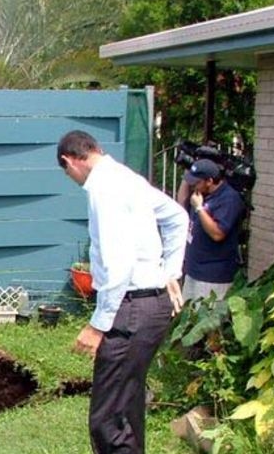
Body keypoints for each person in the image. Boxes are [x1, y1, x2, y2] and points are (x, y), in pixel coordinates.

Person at [58, 130, 188, 454]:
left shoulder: (102, 188)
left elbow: (118, 265)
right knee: (126, 408)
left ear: (69, 161)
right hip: (150, 307)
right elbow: (177, 217)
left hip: (132, 309)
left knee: (108, 420)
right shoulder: (128, 179)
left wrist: (97, 325)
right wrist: (171, 271)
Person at [182, 158, 246, 302]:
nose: (192, 186)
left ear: (209, 181)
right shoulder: (200, 195)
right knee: (186, 321)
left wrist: (199, 208)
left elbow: (218, 234)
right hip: (193, 271)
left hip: (212, 277)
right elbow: (181, 205)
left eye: (196, 182)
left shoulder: (229, 199)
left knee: (205, 321)